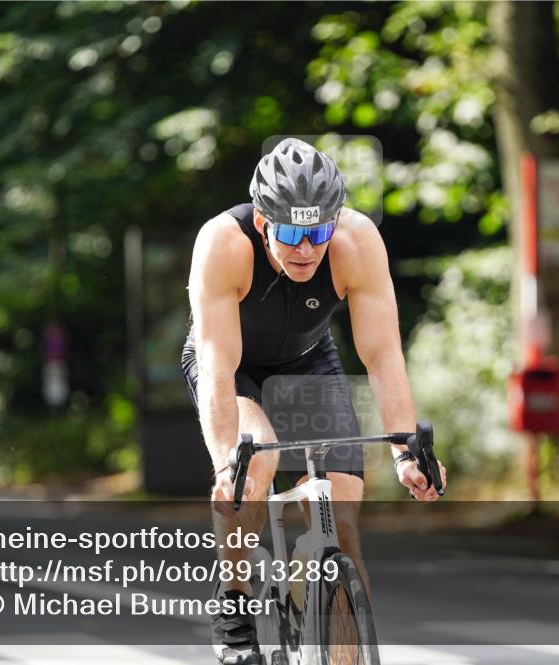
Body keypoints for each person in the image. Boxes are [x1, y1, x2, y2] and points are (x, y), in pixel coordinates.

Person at [181, 138, 447, 665]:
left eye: (318, 232)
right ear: (262, 223)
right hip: (233, 366)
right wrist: (225, 463)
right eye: (291, 233)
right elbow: (216, 363)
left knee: (341, 520)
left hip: (307, 363)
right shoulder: (222, 245)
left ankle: (330, 631)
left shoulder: (357, 241)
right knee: (256, 463)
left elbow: (383, 354)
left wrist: (405, 451)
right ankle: (233, 607)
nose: (306, 248)